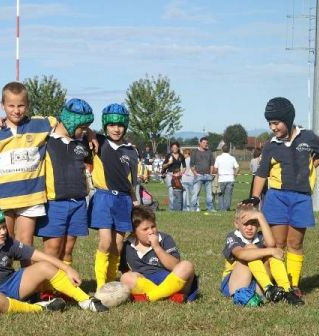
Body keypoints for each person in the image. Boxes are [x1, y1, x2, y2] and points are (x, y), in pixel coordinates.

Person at [0, 203, 108, 316]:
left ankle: (86, 301)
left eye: (4, 227)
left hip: (13, 284)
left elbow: (39, 256)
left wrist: (67, 268)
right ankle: (40, 309)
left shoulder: (8, 242)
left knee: (45, 266)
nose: (3, 232)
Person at [245, 97, 319, 302]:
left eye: (276, 123)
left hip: (301, 199)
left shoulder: (308, 137)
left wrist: (310, 167)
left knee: (295, 242)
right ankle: (272, 285)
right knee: (277, 242)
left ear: (288, 119)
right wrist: (255, 198)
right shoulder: (271, 146)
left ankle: (293, 285)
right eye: (270, 124)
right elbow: (261, 174)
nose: (273, 127)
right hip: (277, 198)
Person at [0, 81, 57, 251]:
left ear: (27, 105)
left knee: (25, 245)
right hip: (2, 198)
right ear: (3, 105)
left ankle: (26, 278)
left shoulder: (39, 124)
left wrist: (91, 133)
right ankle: (6, 277)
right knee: (5, 244)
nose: (16, 110)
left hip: (30, 196)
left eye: (21, 105)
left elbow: (62, 123)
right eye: (11, 106)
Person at [35, 98, 94, 267]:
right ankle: (46, 288)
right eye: (82, 127)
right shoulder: (46, 140)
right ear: (70, 122)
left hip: (78, 202)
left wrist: (92, 134)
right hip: (55, 202)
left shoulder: (82, 142)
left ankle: (64, 285)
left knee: (68, 248)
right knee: (53, 248)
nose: (85, 131)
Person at [89, 103, 139, 291]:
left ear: (125, 126)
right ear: (105, 125)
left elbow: (131, 182)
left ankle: (111, 282)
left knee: (118, 244)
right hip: (103, 197)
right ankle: (101, 285)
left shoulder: (131, 151)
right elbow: (83, 131)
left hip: (124, 200)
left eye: (119, 125)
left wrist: (135, 202)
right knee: (106, 241)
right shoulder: (98, 143)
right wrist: (92, 134)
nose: (116, 129)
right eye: (111, 125)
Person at [220, 204, 302, 306]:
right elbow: (241, 254)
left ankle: (287, 291)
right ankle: (268, 288)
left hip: (257, 284)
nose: (250, 227)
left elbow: (271, 244)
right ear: (236, 224)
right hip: (236, 286)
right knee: (252, 249)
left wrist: (260, 217)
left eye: (254, 223)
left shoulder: (260, 236)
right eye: (245, 224)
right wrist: (271, 251)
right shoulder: (233, 237)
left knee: (272, 255)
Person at [120, 206, 198, 303]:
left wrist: (157, 247)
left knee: (187, 266)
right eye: (145, 229)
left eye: (153, 226)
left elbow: (174, 265)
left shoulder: (165, 239)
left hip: (171, 281)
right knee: (125, 278)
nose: (151, 231)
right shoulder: (127, 245)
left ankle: (150, 297)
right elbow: (124, 270)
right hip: (145, 283)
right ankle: (169, 297)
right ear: (133, 232)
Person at [191, 137, 216, 212]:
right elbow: (191, 165)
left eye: (206, 143)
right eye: (204, 143)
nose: (205, 144)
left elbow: (212, 164)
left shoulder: (209, 152)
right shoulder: (195, 152)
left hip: (208, 176)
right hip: (198, 175)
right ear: (200, 143)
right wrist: (195, 174)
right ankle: (193, 209)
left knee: (209, 195)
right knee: (195, 194)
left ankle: (210, 208)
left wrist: (211, 174)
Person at [214, 144, 239, 211]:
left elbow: (215, 168)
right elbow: (237, 167)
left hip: (221, 179)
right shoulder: (232, 158)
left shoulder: (218, 157)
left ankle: (222, 209)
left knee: (220, 194)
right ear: (229, 150)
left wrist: (217, 173)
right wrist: (235, 175)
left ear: (222, 150)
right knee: (228, 195)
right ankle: (227, 208)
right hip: (230, 178)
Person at [162, 142, 185, 211]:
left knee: (178, 192)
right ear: (171, 148)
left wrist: (181, 173)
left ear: (178, 148)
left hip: (178, 175)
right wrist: (169, 163)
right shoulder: (168, 155)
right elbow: (163, 166)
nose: (174, 149)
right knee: (171, 191)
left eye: (176, 147)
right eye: (173, 148)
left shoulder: (181, 156)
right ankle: (171, 209)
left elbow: (184, 167)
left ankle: (177, 208)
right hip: (170, 175)